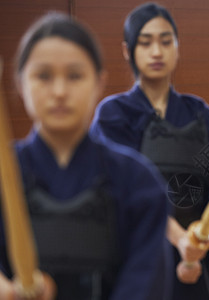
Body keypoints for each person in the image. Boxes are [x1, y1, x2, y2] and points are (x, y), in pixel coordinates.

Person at [0, 13, 173, 300]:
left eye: (74, 76)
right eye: (43, 76)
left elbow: (146, 283)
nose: (59, 92)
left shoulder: (138, 182)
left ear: (98, 83)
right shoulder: (6, 172)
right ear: (20, 83)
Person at [90, 3, 209, 299]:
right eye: (146, 43)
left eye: (165, 41)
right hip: (134, 263)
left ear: (176, 46)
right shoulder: (114, 115)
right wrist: (179, 238)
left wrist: (204, 238)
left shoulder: (199, 114)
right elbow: (125, 193)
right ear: (128, 50)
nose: (157, 52)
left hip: (193, 266)